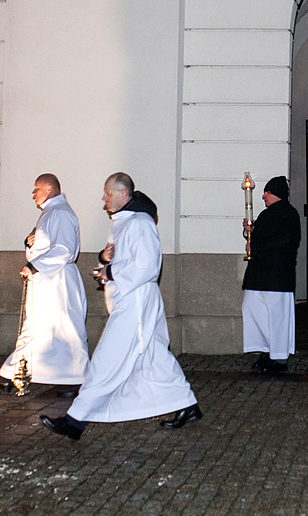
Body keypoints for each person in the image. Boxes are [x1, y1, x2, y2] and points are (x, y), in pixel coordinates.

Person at [41, 173, 200, 441]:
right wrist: (104, 260)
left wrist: (112, 272)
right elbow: (123, 257)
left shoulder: (140, 222)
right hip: (129, 300)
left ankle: (75, 421)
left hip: (135, 302)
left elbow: (148, 266)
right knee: (154, 356)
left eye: (108, 193)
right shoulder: (123, 222)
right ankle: (187, 405)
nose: (104, 199)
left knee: (107, 357)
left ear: (123, 194)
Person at [0, 174, 89, 395]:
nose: (33, 194)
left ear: (49, 188)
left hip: (57, 282)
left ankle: (76, 379)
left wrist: (34, 266)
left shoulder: (60, 213)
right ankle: (12, 375)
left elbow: (64, 249)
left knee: (64, 330)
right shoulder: (51, 212)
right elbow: (46, 245)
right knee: (34, 328)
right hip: (47, 281)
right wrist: (30, 243)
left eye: (36, 188)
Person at [241, 176, 301, 374]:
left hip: (277, 275)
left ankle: (280, 358)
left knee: (277, 317)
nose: (263, 196)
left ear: (274, 192)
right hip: (258, 274)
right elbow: (259, 236)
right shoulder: (266, 215)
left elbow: (283, 240)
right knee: (253, 309)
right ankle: (267, 349)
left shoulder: (290, 215)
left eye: (266, 192)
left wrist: (256, 245)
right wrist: (249, 230)